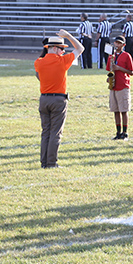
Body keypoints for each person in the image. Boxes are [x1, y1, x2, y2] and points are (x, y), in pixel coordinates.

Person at [34, 30, 84, 168]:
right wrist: (68, 36)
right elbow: (80, 48)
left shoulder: (38, 62)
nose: (63, 51)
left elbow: (39, 73)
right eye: (61, 48)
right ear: (55, 48)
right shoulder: (63, 61)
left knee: (45, 132)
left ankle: (44, 162)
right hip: (58, 100)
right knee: (55, 133)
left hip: (43, 99)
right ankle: (51, 162)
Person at [106, 36, 133, 140]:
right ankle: (118, 132)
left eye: (119, 43)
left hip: (123, 85)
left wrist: (119, 68)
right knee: (115, 110)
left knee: (124, 110)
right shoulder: (111, 56)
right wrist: (109, 78)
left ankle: (125, 132)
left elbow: (131, 72)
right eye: (116, 43)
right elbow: (109, 71)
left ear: (123, 45)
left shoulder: (127, 56)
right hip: (114, 86)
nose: (117, 45)